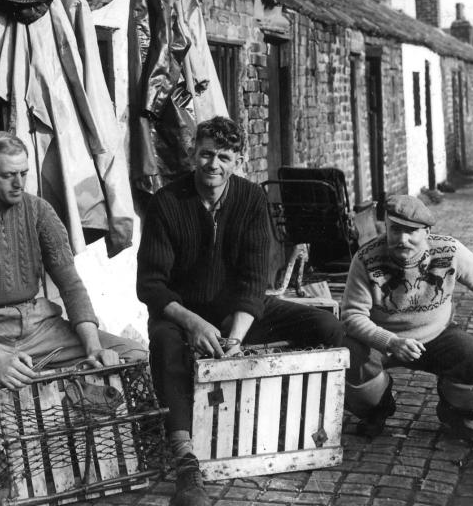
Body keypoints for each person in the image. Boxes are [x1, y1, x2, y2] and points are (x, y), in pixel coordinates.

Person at [0, 132, 147, 497]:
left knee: (131, 356)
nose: (19, 182)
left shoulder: (39, 210)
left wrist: (91, 346)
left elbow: (70, 284)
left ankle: (65, 444)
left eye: (23, 173)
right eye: (8, 174)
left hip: (39, 323)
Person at [137, 116, 344, 506]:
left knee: (327, 327)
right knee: (165, 346)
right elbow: (150, 284)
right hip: (183, 314)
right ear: (192, 153)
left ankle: (300, 427)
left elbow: (253, 279)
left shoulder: (250, 198)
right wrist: (193, 322)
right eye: (206, 154)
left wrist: (235, 337)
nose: (213, 165)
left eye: (224, 157)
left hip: (240, 312)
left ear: (239, 161)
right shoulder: (167, 202)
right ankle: (186, 463)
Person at [340, 195, 473, 444]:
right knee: (350, 356)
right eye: (395, 230)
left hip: (437, 335)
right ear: (386, 226)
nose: (402, 240)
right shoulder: (365, 259)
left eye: (411, 232)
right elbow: (352, 315)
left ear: (426, 231)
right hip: (383, 340)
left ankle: (455, 414)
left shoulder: (449, 250)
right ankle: (376, 411)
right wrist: (391, 342)